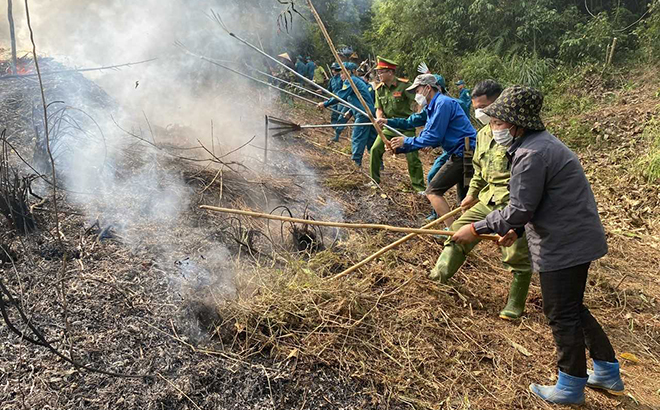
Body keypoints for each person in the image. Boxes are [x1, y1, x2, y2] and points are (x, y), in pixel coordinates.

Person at [451, 86, 624, 405]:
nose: (494, 127)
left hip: (565, 243)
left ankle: (570, 385)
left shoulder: (531, 154)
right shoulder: (538, 145)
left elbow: (519, 208)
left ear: (518, 124)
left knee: (561, 313)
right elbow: (533, 202)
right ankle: (606, 370)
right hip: (574, 236)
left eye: (499, 122)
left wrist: (474, 228)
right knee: (572, 308)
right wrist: (515, 230)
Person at [431, 80, 533, 321]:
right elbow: (479, 170)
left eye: (486, 106)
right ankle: (437, 279)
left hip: (513, 203)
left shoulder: (518, 135)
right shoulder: (483, 135)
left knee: (515, 253)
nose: (481, 113)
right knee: (456, 231)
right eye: (477, 108)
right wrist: (471, 194)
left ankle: (515, 304)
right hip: (488, 199)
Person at [381, 74, 476, 228]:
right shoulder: (433, 106)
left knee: (433, 191)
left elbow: (433, 136)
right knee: (463, 198)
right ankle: (464, 230)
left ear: (427, 88)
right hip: (459, 152)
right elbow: (427, 133)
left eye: (417, 91)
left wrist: (406, 141)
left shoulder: (443, 104)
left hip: (465, 153)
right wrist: (400, 148)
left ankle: (452, 230)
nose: (416, 95)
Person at [369, 56, 425, 193]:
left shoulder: (404, 85)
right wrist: (379, 119)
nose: (379, 75)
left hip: (406, 127)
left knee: (412, 157)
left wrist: (418, 117)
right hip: (388, 126)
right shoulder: (379, 89)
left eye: (381, 72)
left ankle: (419, 187)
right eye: (378, 72)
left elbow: (420, 102)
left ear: (390, 72)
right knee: (375, 150)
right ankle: (374, 181)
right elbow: (379, 109)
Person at [317, 62, 377, 167]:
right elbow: (356, 99)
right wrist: (350, 112)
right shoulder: (356, 81)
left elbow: (340, 97)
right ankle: (378, 164)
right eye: (340, 73)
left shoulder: (351, 81)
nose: (341, 75)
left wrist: (325, 104)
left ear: (349, 72)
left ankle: (356, 163)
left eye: (343, 72)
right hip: (366, 112)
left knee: (357, 137)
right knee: (371, 139)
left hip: (364, 114)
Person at [328, 62, 348, 142]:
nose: (334, 71)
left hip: (342, 100)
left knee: (341, 116)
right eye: (333, 69)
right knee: (334, 114)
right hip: (334, 99)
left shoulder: (342, 78)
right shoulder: (332, 80)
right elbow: (329, 89)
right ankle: (334, 129)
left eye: (336, 69)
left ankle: (337, 133)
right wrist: (321, 91)